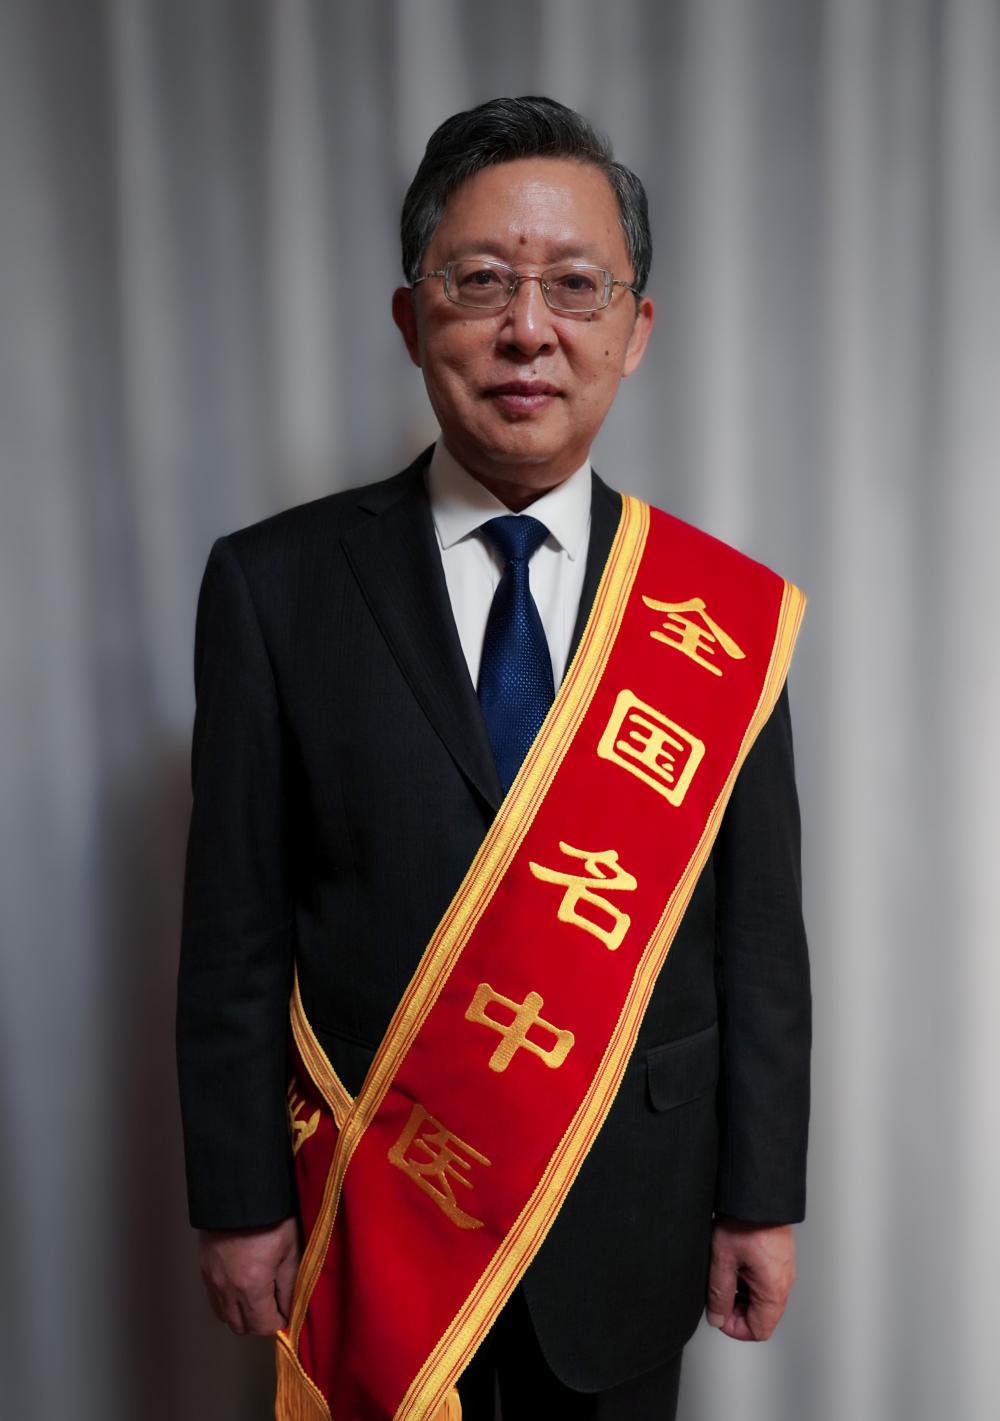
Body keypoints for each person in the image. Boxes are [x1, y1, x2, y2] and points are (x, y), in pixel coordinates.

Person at [177, 96, 810, 1421]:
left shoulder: (717, 618)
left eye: (576, 286)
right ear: (411, 320)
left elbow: (756, 945)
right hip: (380, 1227)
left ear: (636, 330)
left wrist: (761, 1197)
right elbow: (234, 931)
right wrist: (237, 1201)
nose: (529, 329)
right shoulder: (275, 587)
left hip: (633, 1216)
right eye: (480, 281)